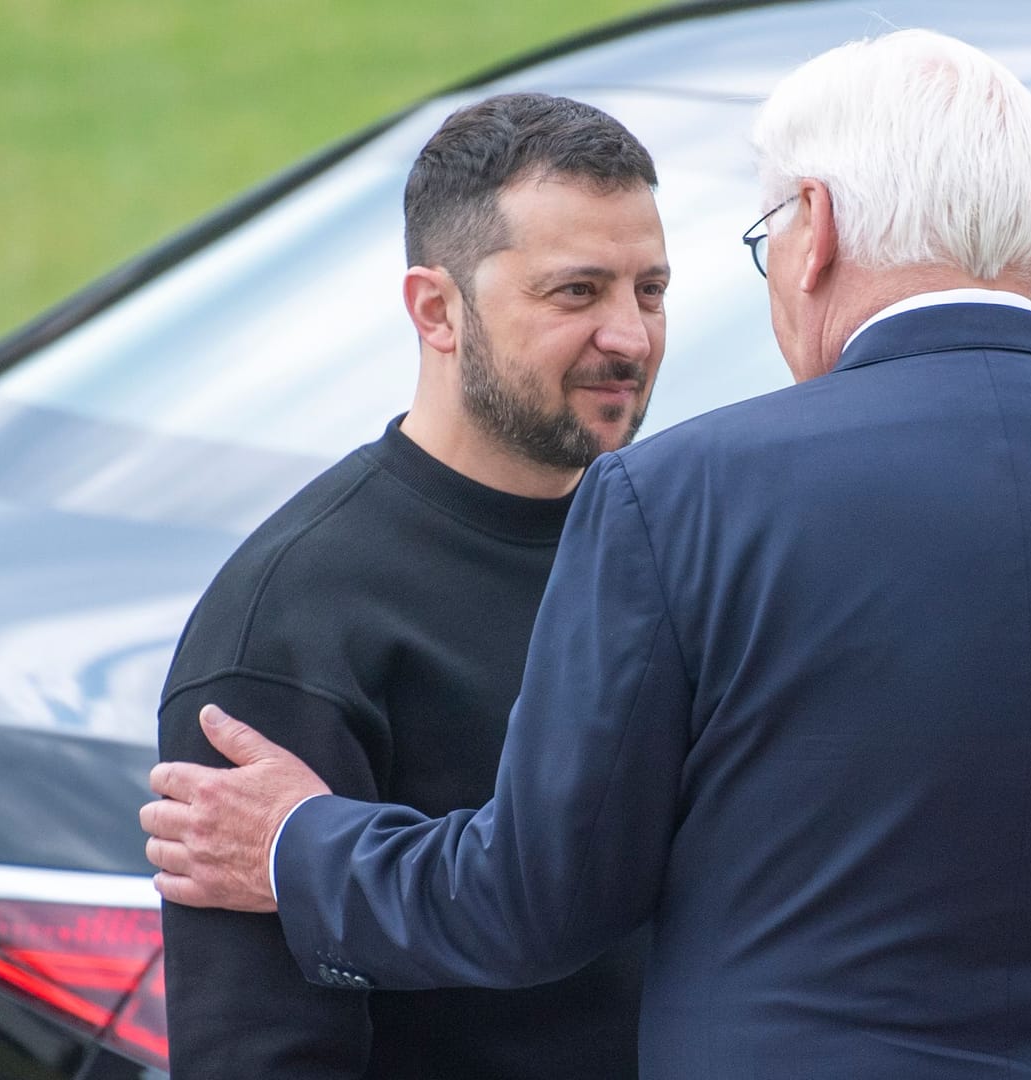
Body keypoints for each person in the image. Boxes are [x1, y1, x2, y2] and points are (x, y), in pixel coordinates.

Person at [143, 30, 1031, 1080]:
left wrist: (302, 847)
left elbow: (541, 897)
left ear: (817, 228)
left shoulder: (683, 500)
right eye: (578, 292)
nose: (630, 334)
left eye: (670, 281)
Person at [153, 91, 667, 1078]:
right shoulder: (297, 620)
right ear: (437, 309)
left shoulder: (684, 550)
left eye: (650, 289)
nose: (630, 337)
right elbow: (262, 1056)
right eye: (576, 293)